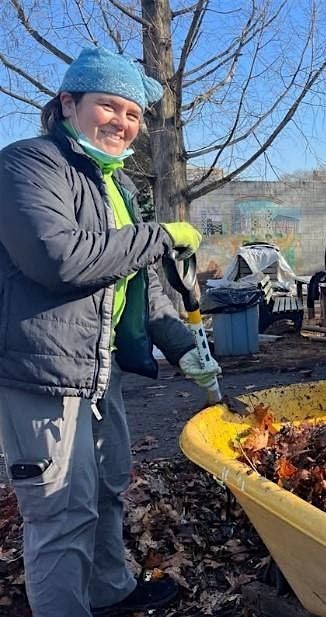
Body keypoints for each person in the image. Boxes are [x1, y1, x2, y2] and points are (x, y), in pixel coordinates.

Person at [0, 47, 221, 617]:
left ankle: (109, 590)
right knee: (59, 513)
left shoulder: (114, 187)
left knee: (106, 490)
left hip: (103, 372)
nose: (122, 123)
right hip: (44, 374)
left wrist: (182, 347)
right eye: (108, 106)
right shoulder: (29, 164)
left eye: (132, 113)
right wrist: (161, 234)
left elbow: (135, 289)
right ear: (68, 103)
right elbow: (60, 260)